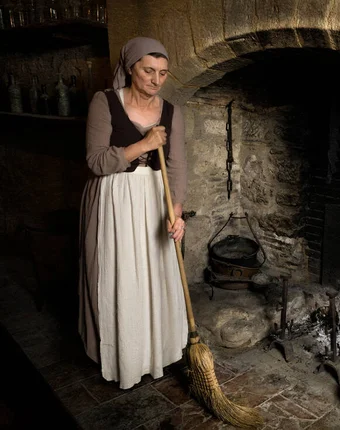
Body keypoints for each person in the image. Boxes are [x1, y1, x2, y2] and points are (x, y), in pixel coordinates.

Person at [78, 37, 188, 389]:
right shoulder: (105, 102)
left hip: (155, 197)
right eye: (148, 71)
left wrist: (177, 211)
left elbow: (177, 166)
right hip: (115, 199)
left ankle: (157, 352)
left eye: (163, 73)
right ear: (130, 69)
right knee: (121, 274)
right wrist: (142, 145)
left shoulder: (172, 112)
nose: (156, 80)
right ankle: (126, 355)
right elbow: (95, 162)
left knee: (155, 273)